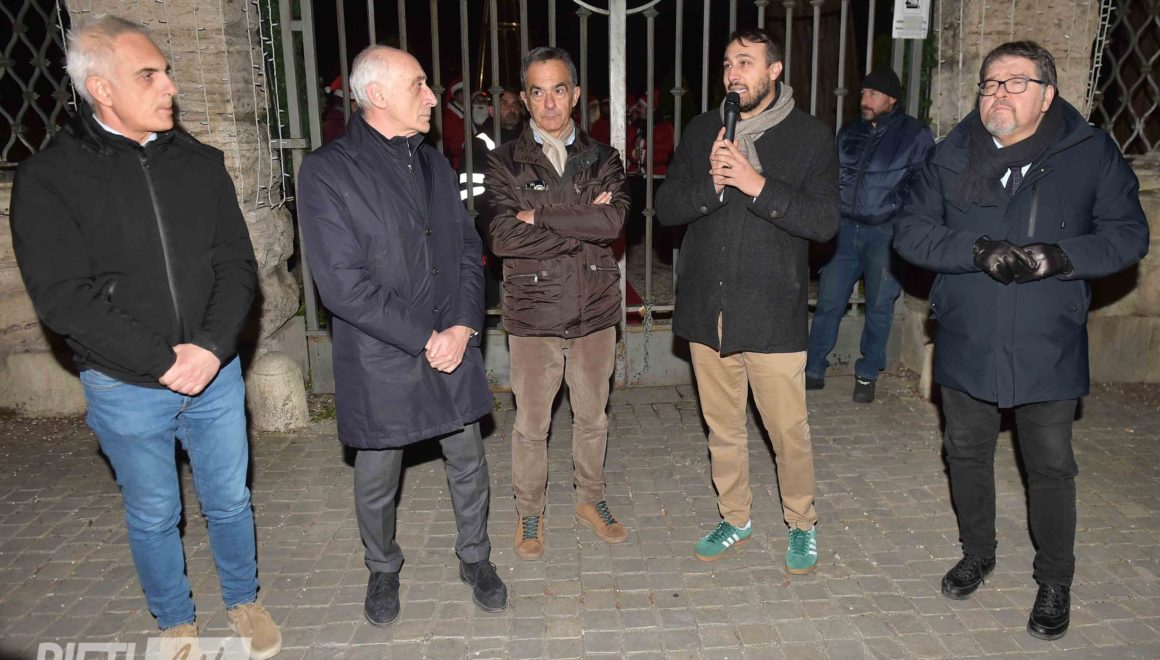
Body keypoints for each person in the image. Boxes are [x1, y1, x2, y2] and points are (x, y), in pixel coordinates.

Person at [9, 15, 281, 658]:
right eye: (149, 75)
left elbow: (237, 266)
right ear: (102, 89)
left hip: (214, 374)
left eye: (168, 72)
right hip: (125, 383)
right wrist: (161, 361)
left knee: (230, 500)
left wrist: (211, 349)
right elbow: (63, 298)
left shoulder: (201, 164)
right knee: (155, 513)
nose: (170, 87)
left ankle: (243, 599)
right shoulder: (49, 179)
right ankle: (175, 622)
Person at [893, 41, 1148, 641]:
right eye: (989, 84)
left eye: (1015, 82)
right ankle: (978, 552)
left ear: (1048, 94)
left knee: (1051, 464)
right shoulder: (951, 154)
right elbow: (910, 230)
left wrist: (1062, 256)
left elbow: (1127, 235)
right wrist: (974, 249)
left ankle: (1055, 579)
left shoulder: (1089, 153)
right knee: (965, 452)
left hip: (1047, 337)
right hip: (968, 332)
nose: (998, 93)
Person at [296, 45, 508, 626]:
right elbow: (342, 285)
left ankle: (476, 558)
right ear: (378, 95)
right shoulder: (327, 171)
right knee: (377, 475)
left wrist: (462, 324)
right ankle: (382, 567)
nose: (433, 98)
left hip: (451, 338)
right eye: (419, 84)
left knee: (468, 458)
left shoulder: (433, 162)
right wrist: (426, 336)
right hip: (380, 351)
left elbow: (467, 249)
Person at [655, 28, 839, 573]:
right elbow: (667, 207)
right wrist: (711, 185)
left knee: (787, 433)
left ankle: (802, 523)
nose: (733, 73)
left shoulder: (809, 136)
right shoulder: (702, 130)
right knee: (723, 429)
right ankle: (735, 517)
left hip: (772, 313)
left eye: (745, 62)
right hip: (707, 312)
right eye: (727, 63)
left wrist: (757, 185)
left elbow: (824, 222)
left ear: (774, 70)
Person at [483, 46, 631, 561]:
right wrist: (582, 218)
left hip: (595, 310)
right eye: (538, 92)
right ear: (525, 100)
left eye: (559, 89)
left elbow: (613, 223)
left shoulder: (604, 158)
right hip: (534, 312)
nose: (549, 102)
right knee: (531, 425)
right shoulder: (502, 160)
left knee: (594, 418)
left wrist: (539, 216)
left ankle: (590, 499)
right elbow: (502, 236)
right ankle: (530, 511)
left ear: (575, 94)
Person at [805, 68, 934, 402]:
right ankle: (813, 367)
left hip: (884, 234)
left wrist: (899, 214)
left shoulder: (914, 135)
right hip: (844, 230)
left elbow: (924, 183)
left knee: (879, 306)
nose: (865, 99)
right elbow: (832, 175)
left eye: (873, 94)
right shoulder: (850, 132)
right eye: (863, 93)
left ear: (891, 99)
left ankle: (867, 374)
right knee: (829, 302)